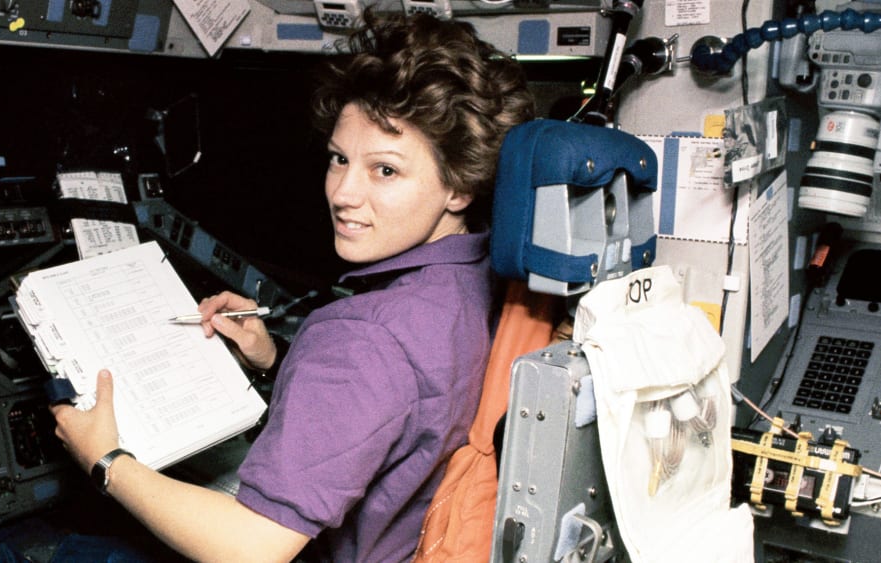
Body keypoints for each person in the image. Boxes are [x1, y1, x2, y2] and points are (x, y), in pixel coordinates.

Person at [48, 10, 535, 562]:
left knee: (22, 549)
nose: (344, 193)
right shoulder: (477, 280)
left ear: (460, 186)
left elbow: (251, 549)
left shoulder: (363, 338)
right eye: (339, 159)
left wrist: (106, 459)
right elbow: (398, 403)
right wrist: (274, 359)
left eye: (386, 171)